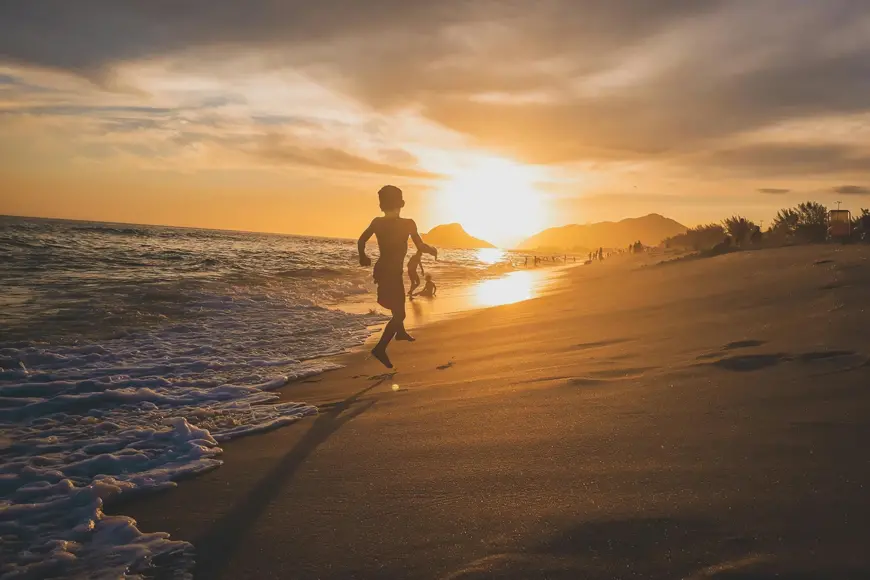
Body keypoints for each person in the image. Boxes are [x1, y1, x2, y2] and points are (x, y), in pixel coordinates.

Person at [358, 185, 437, 369]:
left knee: (398, 305)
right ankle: (380, 348)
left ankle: (399, 332)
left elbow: (361, 240)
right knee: (399, 313)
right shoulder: (408, 223)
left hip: (383, 269)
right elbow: (420, 246)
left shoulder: (377, 222)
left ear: (381, 205)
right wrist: (432, 250)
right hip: (391, 272)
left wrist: (363, 256)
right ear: (401, 203)